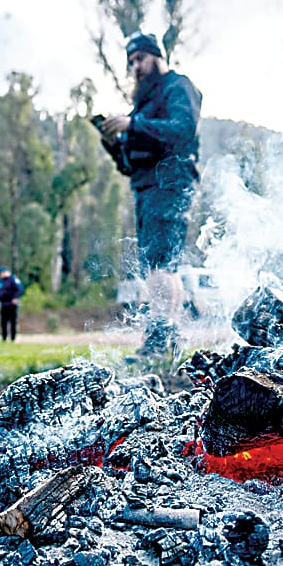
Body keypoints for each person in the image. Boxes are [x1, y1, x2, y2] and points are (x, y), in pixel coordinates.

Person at [98, 31, 201, 357]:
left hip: (170, 182)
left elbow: (182, 130)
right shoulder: (142, 104)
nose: (135, 67)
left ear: (157, 56)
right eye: (131, 62)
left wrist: (133, 125)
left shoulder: (177, 87)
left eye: (140, 58)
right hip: (145, 186)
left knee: (160, 262)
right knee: (155, 264)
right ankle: (165, 337)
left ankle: (161, 338)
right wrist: (116, 146)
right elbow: (130, 165)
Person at [0, 266, 24, 342]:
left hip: (12, 303)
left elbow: (19, 289)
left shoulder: (13, 279)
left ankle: (13, 338)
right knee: (3, 322)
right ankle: (4, 337)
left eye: (3, 272)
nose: (1, 274)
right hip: (3, 304)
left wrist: (15, 298)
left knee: (13, 321)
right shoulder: (0, 282)